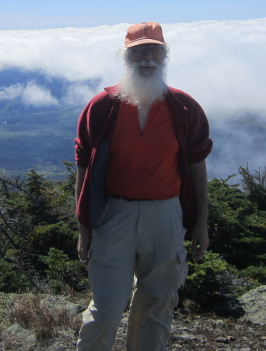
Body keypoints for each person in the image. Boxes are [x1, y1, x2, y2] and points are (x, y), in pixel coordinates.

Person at [74, 22, 212, 351]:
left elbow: (197, 166)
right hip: (113, 215)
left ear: (164, 56)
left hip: (166, 215)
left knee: (157, 305)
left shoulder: (184, 108)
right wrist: (83, 227)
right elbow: (83, 165)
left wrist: (201, 222)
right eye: (139, 51)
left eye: (154, 50)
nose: (147, 58)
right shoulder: (103, 106)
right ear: (126, 57)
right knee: (106, 308)